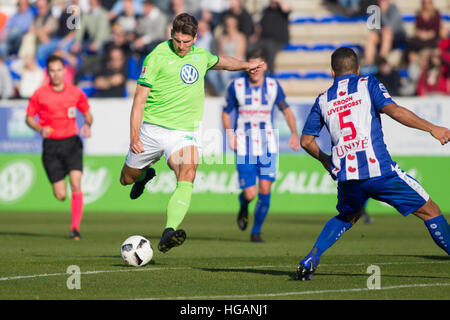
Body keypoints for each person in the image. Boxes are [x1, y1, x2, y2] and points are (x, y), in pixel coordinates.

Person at [296, 47, 450, 281]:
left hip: (347, 177)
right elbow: (395, 111)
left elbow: (306, 141)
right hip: (380, 172)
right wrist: (433, 128)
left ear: (332, 72)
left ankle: (311, 257)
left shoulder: (323, 99)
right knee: (430, 211)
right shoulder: (367, 84)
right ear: (358, 69)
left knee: (347, 216)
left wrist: (327, 161)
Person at [119, 13, 264, 253]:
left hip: (184, 132)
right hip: (152, 130)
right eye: (178, 41)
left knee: (188, 172)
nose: (182, 46)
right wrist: (135, 136)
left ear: (196, 38)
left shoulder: (201, 55)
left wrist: (246, 65)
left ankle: (169, 232)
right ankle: (145, 176)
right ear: (171, 35)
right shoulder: (156, 57)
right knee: (127, 179)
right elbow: (139, 100)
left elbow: (222, 62)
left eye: (187, 42)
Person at [222, 49, 300, 242]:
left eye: (258, 65)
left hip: (268, 147)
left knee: (265, 189)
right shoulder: (236, 86)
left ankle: (256, 231)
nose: (254, 69)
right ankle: (243, 204)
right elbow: (226, 112)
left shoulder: (273, 86)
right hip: (244, 146)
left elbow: (287, 111)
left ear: (264, 66)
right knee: (251, 193)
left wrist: (294, 134)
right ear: (246, 65)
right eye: (251, 65)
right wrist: (230, 134)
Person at [25, 55, 93, 240]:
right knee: (61, 195)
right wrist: (39, 128)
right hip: (51, 147)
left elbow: (87, 114)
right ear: (48, 72)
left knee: (76, 184)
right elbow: (29, 118)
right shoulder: (40, 94)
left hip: (72, 143)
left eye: (59, 70)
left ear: (64, 71)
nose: (56, 74)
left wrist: (87, 125)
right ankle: (59, 186)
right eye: (52, 71)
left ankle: (75, 229)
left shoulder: (75, 92)